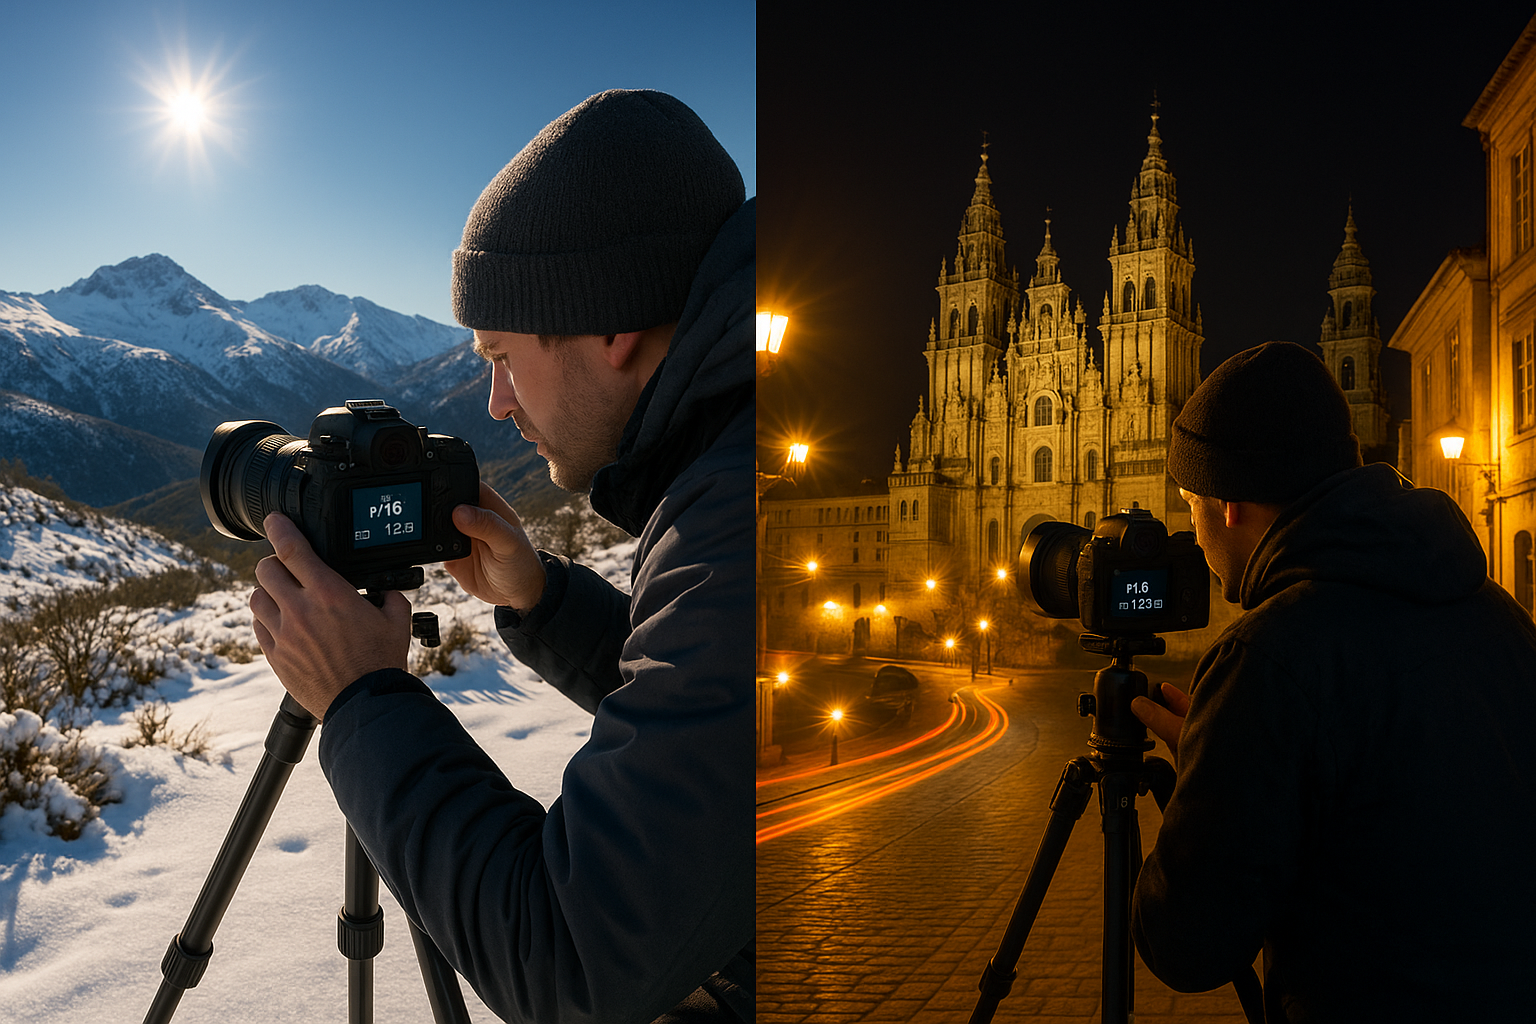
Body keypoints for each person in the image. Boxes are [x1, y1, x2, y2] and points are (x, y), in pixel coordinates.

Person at [248, 89, 754, 1024]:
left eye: (502, 355)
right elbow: (716, 730)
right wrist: (546, 602)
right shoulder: (727, 460)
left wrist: (364, 703)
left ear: (613, 330)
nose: (493, 402)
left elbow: (572, 958)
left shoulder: (736, 516)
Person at [1128, 342, 1536, 1021]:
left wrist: (1211, 785)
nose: (1190, 533)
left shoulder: (1269, 657)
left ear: (1227, 503)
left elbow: (1187, 945)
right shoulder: (1501, 617)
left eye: (1187, 502)